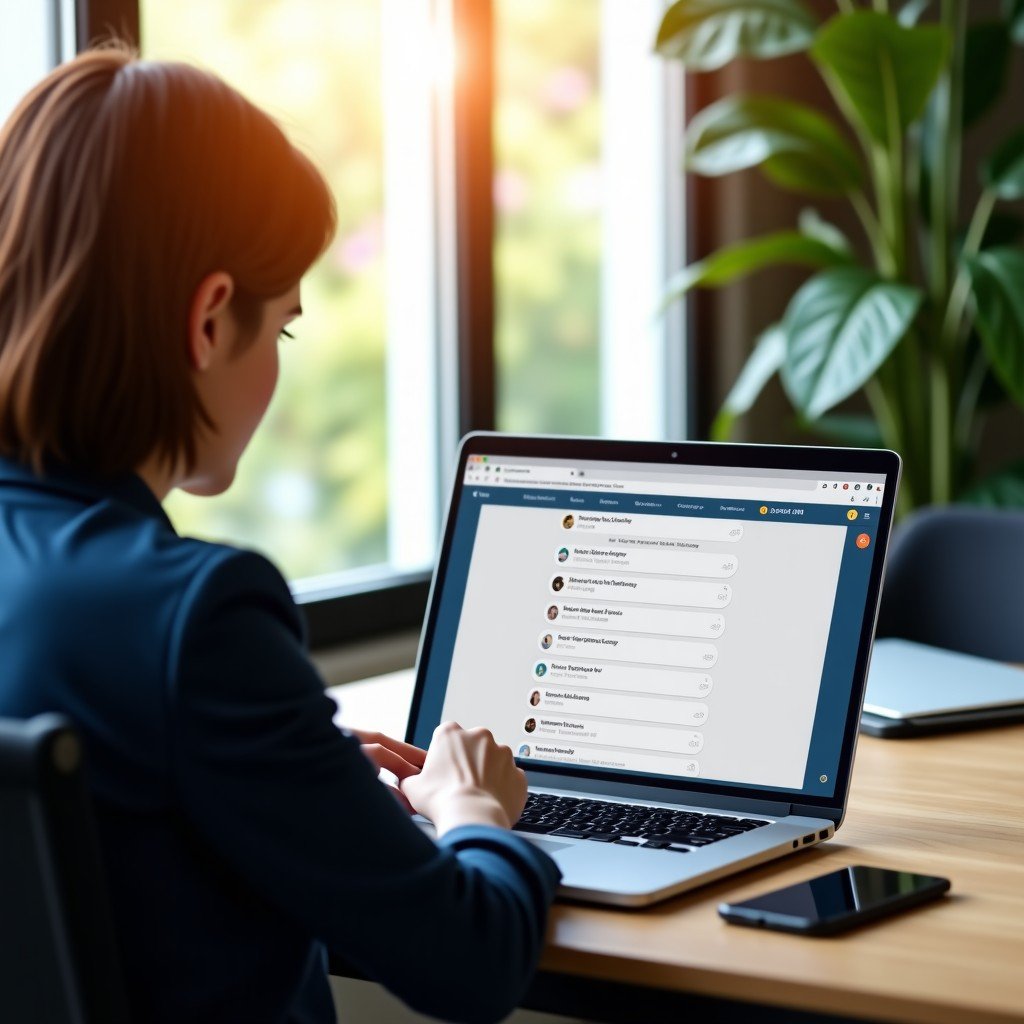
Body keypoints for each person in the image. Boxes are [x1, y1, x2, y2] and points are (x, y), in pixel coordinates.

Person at [0, 47, 559, 1024]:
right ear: (210, 320)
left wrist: (295, 774)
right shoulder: (192, 619)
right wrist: (475, 807)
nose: (277, 370)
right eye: (285, 330)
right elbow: (470, 961)